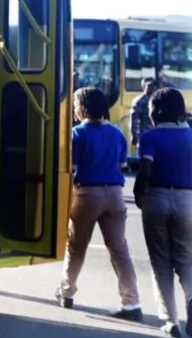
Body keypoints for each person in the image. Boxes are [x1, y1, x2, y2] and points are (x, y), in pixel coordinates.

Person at [57, 86, 142, 320]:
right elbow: (121, 165)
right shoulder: (116, 133)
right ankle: (132, 302)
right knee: (119, 250)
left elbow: (72, 167)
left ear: (84, 108)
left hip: (87, 194)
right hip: (115, 194)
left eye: (75, 105)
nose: (74, 109)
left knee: (76, 247)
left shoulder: (77, 134)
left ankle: (67, 292)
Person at [133, 87, 192, 338]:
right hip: (187, 199)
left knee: (160, 261)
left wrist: (139, 193)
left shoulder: (150, 137)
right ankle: (191, 296)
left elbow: (146, 170)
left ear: (155, 112)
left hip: (156, 198)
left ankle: (171, 321)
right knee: (186, 258)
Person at [131, 77, 157, 149]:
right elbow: (134, 120)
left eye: (153, 85)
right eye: (149, 85)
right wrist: (134, 136)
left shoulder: (158, 99)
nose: (152, 87)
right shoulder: (139, 101)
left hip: (157, 136)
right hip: (144, 135)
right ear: (144, 87)